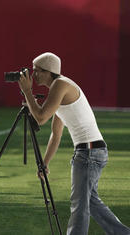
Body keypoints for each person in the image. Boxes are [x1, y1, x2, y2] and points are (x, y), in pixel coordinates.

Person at [18, 52, 130, 235]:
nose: (33, 75)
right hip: (92, 151)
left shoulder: (60, 85)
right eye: (33, 70)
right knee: (91, 203)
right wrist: (44, 163)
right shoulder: (59, 87)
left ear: (49, 72)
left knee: (79, 206)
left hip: (89, 153)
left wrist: (28, 92)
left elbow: (40, 117)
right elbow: (56, 134)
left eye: (38, 71)